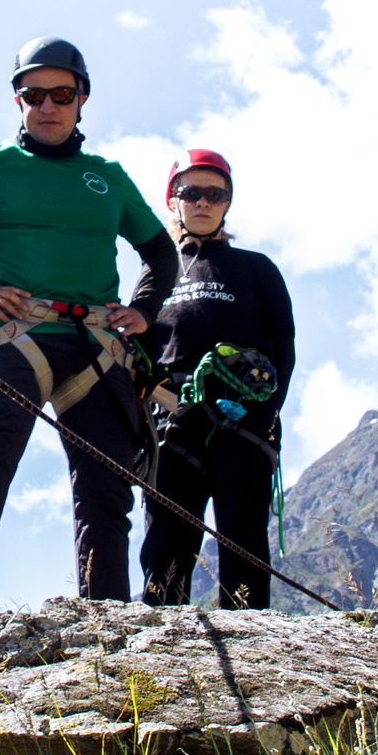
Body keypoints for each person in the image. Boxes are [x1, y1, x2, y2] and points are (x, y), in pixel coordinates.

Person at [0, 39, 177, 606]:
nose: (47, 105)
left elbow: (161, 253)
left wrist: (144, 309)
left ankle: (104, 629)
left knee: (107, 495)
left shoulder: (105, 176)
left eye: (62, 93)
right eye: (33, 94)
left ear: (82, 99)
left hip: (98, 349)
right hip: (17, 339)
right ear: (18, 101)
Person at [137, 149, 296, 608]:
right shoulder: (156, 275)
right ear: (173, 200)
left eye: (216, 193)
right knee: (166, 538)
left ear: (228, 202)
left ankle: (250, 641)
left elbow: (283, 344)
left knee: (243, 535)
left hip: (244, 417)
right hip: (173, 418)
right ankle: (161, 644)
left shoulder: (257, 268)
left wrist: (267, 410)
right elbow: (138, 354)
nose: (203, 202)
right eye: (191, 192)